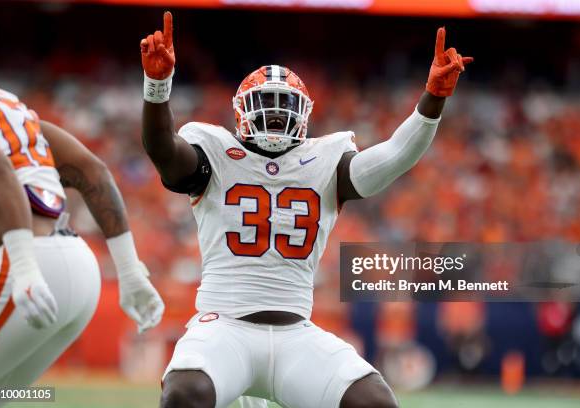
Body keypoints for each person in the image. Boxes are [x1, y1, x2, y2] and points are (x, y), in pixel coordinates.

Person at [140, 12, 471, 408]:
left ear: (304, 112)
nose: (276, 115)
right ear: (242, 109)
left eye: (284, 106)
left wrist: (432, 99)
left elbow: (395, 156)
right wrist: (157, 85)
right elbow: (163, 151)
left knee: (375, 402)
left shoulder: (326, 159)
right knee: (184, 393)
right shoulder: (213, 148)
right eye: (267, 104)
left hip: (296, 332)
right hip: (223, 326)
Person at [0, 22, 164, 399]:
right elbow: (90, 169)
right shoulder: (9, 106)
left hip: (25, 267)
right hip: (78, 270)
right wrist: (129, 271)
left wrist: (25, 265)